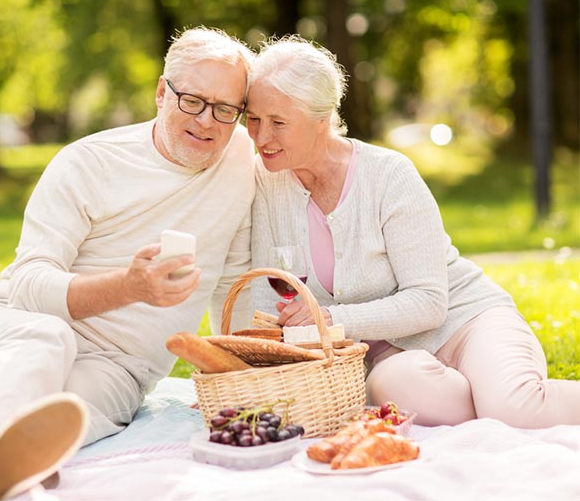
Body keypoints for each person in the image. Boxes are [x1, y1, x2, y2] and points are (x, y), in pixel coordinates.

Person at [0, 26, 256, 501]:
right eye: (192, 100)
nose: (208, 122)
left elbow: (234, 285)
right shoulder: (89, 162)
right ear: (160, 92)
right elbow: (28, 282)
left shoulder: (241, 164)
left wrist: (235, 379)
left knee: (57, 419)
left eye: (226, 109)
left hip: (118, 368)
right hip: (12, 327)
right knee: (46, 338)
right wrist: (129, 288)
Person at [246, 36, 580, 429]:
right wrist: (249, 372)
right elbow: (268, 302)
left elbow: (428, 302)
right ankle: (492, 397)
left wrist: (329, 318)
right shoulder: (266, 183)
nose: (261, 137)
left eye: (278, 123)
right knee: (389, 385)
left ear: (322, 119)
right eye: (253, 119)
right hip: (398, 362)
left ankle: (505, 396)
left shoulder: (388, 174)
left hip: (467, 322)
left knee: (514, 409)